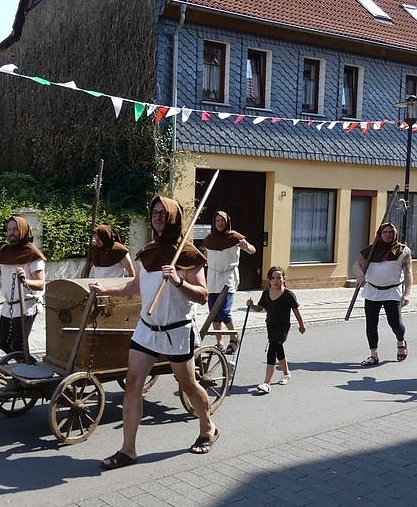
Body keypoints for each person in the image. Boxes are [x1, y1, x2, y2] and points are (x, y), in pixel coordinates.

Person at [90, 196, 219, 470]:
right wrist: (105, 289)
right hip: (147, 330)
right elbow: (133, 287)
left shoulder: (188, 255)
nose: (158, 217)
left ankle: (207, 427)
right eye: (155, 212)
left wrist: (178, 281)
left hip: (176, 331)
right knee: (132, 382)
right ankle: (128, 450)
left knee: (188, 385)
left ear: (173, 218)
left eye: (163, 213)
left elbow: (203, 296)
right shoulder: (147, 252)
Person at [0, 216, 46, 357]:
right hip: (9, 306)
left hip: (26, 305)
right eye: (9, 229)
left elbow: (41, 284)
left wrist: (25, 281)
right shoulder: (4, 251)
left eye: (16, 229)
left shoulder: (32, 254)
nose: (12, 233)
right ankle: (24, 363)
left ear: (23, 230)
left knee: (18, 346)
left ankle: (27, 366)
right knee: (3, 343)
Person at [353, 222, 412, 366]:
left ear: (395, 234)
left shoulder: (402, 251)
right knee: (371, 324)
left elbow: (408, 273)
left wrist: (406, 294)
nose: (388, 235)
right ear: (379, 234)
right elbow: (356, 266)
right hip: (372, 292)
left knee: (395, 323)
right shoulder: (370, 250)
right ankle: (373, 355)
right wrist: (360, 275)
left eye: (390, 232)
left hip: (392, 292)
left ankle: (400, 340)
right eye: (385, 232)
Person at [202, 211, 256, 354]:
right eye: (217, 220)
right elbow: (205, 257)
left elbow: (253, 250)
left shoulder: (235, 237)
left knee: (224, 311)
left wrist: (245, 247)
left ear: (227, 222)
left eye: (222, 221)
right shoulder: (209, 239)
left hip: (228, 277)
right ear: (214, 222)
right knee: (213, 313)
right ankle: (219, 343)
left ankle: (234, 337)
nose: (220, 223)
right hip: (212, 278)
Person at [246, 266, 305, 394]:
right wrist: (251, 305)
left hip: (283, 327)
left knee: (272, 350)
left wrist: (301, 325)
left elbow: (295, 310)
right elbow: (259, 308)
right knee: (278, 349)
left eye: (279, 277)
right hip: (270, 325)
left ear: (284, 279)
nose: (276, 280)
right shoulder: (266, 293)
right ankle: (287, 374)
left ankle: (266, 383)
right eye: (273, 278)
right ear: (269, 280)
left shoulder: (288, 294)